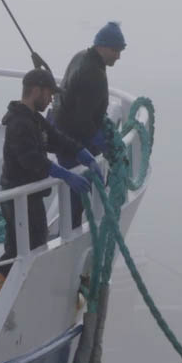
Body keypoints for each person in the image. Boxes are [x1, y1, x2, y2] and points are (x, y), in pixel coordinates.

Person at [0, 69, 97, 330]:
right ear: (37, 90)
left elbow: (56, 139)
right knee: (24, 253)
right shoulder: (19, 123)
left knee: (21, 251)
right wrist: (64, 174)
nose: (51, 99)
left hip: (28, 198)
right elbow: (30, 159)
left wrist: (82, 153)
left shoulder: (33, 120)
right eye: (49, 93)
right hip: (19, 199)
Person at [52, 21, 125, 227]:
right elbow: (83, 120)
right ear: (102, 46)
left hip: (61, 132)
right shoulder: (93, 73)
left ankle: (70, 226)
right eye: (115, 50)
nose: (118, 56)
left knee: (76, 192)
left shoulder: (81, 57)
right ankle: (70, 231)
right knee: (79, 192)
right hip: (74, 142)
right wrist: (103, 146)